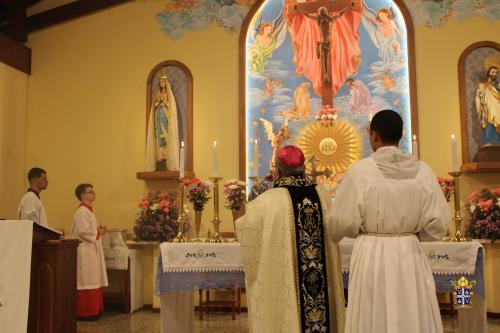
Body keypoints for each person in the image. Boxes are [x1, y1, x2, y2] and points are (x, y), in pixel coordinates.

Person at [329, 110, 450, 333]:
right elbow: (438, 223)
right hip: (409, 252)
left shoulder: (360, 171)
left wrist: (357, 231)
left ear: (373, 135)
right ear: (401, 135)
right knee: (411, 309)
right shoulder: (423, 171)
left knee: (372, 312)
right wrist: (412, 234)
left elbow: (339, 222)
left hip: (372, 252)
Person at [236, 145, 345, 333]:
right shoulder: (323, 196)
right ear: (304, 169)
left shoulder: (267, 201)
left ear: (278, 171)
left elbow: (246, 230)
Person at [70, 183, 108, 320]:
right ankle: (85, 312)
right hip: (84, 252)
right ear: (82, 195)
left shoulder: (88, 211)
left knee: (93, 279)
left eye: (93, 190)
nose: (93, 193)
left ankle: (94, 310)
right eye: (90, 191)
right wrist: (99, 232)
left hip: (91, 250)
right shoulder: (81, 212)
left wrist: (98, 231)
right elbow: (83, 231)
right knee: (86, 280)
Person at [145, 73, 180, 171]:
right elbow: (154, 106)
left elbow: (171, 108)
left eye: (163, 81)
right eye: (160, 81)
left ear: (166, 83)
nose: (161, 83)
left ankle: (167, 158)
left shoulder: (169, 95)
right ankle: (160, 157)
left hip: (165, 116)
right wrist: (157, 103)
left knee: (166, 136)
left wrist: (165, 103)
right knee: (159, 135)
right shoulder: (158, 94)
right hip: (159, 116)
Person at [475, 65, 500, 145]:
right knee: (490, 121)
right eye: (492, 72)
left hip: (498, 107)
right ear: (488, 73)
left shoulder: (498, 85)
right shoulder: (484, 85)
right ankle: (488, 142)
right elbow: (479, 96)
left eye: (496, 73)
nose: (494, 74)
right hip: (489, 108)